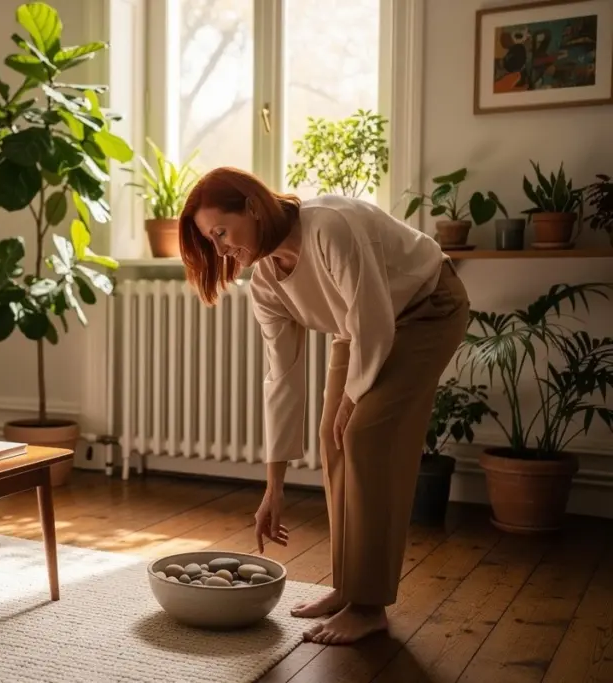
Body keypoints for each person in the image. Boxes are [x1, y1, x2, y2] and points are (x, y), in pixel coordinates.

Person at [178, 167, 470, 645]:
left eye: (221, 232)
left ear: (252, 207)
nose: (220, 249)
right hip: (357, 326)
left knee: (365, 434)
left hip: (427, 308)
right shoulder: (265, 282)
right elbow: (282, 380)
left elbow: (375, 320)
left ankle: (369, 605)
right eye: (211, 242)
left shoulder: (329, 225)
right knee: (331, 439)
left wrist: (352, 400)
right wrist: (274, 487)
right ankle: (346, 588)